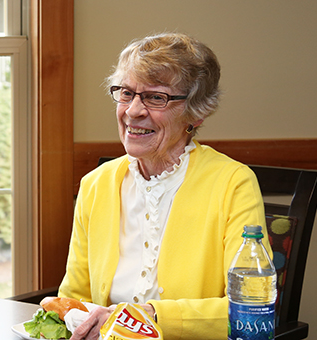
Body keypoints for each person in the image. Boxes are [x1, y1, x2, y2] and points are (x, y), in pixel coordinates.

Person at [58, 32, 271, 340]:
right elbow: (73, 299)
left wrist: (151, 317)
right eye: (126, 93)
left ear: (196, 113)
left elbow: (246, 309)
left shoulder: (233, 184)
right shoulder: (96, 184)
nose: (133, 111)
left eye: (156, 97)